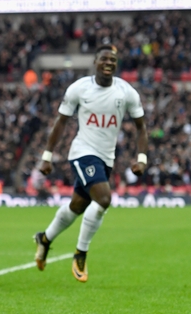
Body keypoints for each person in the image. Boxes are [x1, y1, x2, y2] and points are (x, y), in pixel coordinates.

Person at [33, 44, 148, 283]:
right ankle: (80, 253)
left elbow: (141, 127)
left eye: (113, 60)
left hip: (106, 158)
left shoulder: (126, 92)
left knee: (77, 206)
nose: (108, 63)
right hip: (82, 153)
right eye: (104, 59)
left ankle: (44, 239)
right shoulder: (79, 88)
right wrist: (47, 156)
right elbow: (61, 122)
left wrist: (142, 158)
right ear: (94, 62)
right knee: (104, 199)